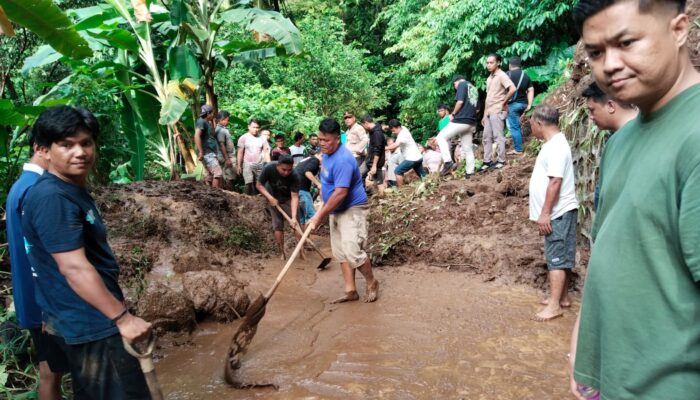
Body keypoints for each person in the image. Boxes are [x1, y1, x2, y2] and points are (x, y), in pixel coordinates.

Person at [569, 1, 700, 399]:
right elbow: (613, 247)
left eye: (626, 42)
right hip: (615, 377)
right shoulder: (622, 140)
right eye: (596, 52)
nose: (609, 64)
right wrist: (581, 346)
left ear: (679, 30)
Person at [21, 105, 151, 399]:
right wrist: (123, 319)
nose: (79, 152)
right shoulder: (53, 197)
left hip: (77, 318)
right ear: (44, 150)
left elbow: (45, 260)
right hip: (93, 324)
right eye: (66, 145)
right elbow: (74, 268)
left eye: (86, 143)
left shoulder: (69, 190)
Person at [6, 133, 68, 400]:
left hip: (35, 298)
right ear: (41, 149)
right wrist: (47, 309)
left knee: (50, 370)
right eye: (63, 147)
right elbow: (38, 255)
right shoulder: (35, 189)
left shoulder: (22, 186)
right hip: (45, 303)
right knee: (53, 374)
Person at [308, 118, 379, 304]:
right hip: (334, 208)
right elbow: (327, 184)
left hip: (352, 208)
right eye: (320, 139)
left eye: (327, 140)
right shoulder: (326, 155)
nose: (322, 143)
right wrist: (323, 206)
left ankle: (372, 282)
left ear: (337, 139)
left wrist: (318, 216)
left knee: (352, 250)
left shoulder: (343, 159)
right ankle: (350, 290)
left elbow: (340, 193)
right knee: (340, 252)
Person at [527, 105, 579, 322]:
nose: (532, 129)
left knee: (555, 258)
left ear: (539, 123)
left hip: (557, 212)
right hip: (561, 211)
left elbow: (555, 180)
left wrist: (545, 212)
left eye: (532, 125)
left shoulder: (556, 146)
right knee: (562, 255)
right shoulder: (555, 144)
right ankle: (562, 297)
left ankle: (555, 305)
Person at [581, 81, 638, 209]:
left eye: (592, 110)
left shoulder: (638, 137)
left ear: (611, 106)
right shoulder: (616, 137)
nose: (591, 117)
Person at [256, 155, 302, 260]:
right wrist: (269, 198)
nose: (286, 173)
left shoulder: (295, 175)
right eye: (283, 169)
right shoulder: (269, 168)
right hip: (272, 198)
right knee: (278, 225)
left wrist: (294, 217)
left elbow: (294, 197)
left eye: (289, 170)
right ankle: (281, 252)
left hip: (288, 199)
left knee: (296, 224)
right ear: (278, 165)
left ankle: (300, 251)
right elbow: (259, 185)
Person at [437, 75, 479, 177]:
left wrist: (453, 114)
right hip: (471, 122)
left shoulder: (462, 84)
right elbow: (477, 109)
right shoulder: (474, 89)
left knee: (440, 137)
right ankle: (470, 172)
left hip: (461, 120)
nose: (455, 87)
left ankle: (448, 162)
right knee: (467, 148)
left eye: (454, 85)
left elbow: (460, 101)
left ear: (456, 82)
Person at [481, 53, 516, 171]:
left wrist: (504, 102)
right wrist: (484, 114)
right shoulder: (489, 78)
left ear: (498, 63)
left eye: (491, 62)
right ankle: (487, 161)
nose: (488, 65)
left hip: (498, 110)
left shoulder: (501, 75)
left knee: (498, 137)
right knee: (486, 137)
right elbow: (488, 97)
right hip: (489, 112)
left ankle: (501, 160)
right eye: (487, 63)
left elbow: (512, 88)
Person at [506, 57, 535, 155]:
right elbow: (531, 90)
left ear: (510, 65)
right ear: (520, 66)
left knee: (514, 127)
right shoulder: (525, 75)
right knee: (516, 126)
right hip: (523, 104)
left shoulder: (507, 75)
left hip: (512, 105)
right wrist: (530, 104)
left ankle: (518, 149)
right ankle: (519, 143)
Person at [385, 119, 425, 186]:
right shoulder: (403, 128)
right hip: (418, 157)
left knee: (397, 171)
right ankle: (431, 184)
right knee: (423, 176)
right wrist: (387, 127)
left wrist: (385, 148)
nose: (393, 132)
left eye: (393, 130)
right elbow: (395, 125)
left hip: (412, 159)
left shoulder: (402, 135)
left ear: (397, 127)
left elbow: (396, 145)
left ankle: (401, 190)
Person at [237, 118, 269, 195]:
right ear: (249, 127)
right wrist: (238, 165)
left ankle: (258, 201)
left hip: (259, 164)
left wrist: (268, 165)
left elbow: (266, 152)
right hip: (247, 163)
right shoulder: (243, 138)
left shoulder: (262, 138)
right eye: (253, 127)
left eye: (257, 127)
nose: (255, 129)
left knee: (260, 184)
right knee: (248, 183)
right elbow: (240, 152)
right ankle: (246, 200)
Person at [195, 104, 223, 188]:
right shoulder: (201, 122)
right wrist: (201, 152)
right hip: (207, 152)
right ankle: (215, 193)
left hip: (209, 152)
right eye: (212, 113)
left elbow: (213, 134)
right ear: (208, 113)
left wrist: (212, 121)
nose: (213, 115)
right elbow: (197, 136)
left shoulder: (206, 122)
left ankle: (209, 194)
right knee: (217, 172)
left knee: (209, 175)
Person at [360, 115, 387, 196]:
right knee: (358, 174)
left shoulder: (376, 133)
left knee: (379, 182)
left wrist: (374, 165)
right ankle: (361, 194)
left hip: (374, 163)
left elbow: (377, 150)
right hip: (368, 160)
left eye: (363, 126)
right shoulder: (375, 129)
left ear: (366, 123)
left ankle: (383, 198)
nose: (363, 128)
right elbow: (379, 126)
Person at [295, 152, 323, 230]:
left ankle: (303, 240)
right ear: (320, 155)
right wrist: (318, 184)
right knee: (312, 217)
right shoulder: (315, 161)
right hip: (302, 190)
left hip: (296, 190)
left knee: (302, 219)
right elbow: (307, 172)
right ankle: (306, 238)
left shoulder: (307, 159)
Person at [215, 110, 237, 187]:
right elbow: (222, 145)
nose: (228, 122)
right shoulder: (221, 130)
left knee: (228, 175)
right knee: (229, 177)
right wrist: (227, 159)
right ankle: (230, 193)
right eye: (227, 120)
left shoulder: (222, 129)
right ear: (222, 119)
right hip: (227, 156)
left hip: (226, 156)